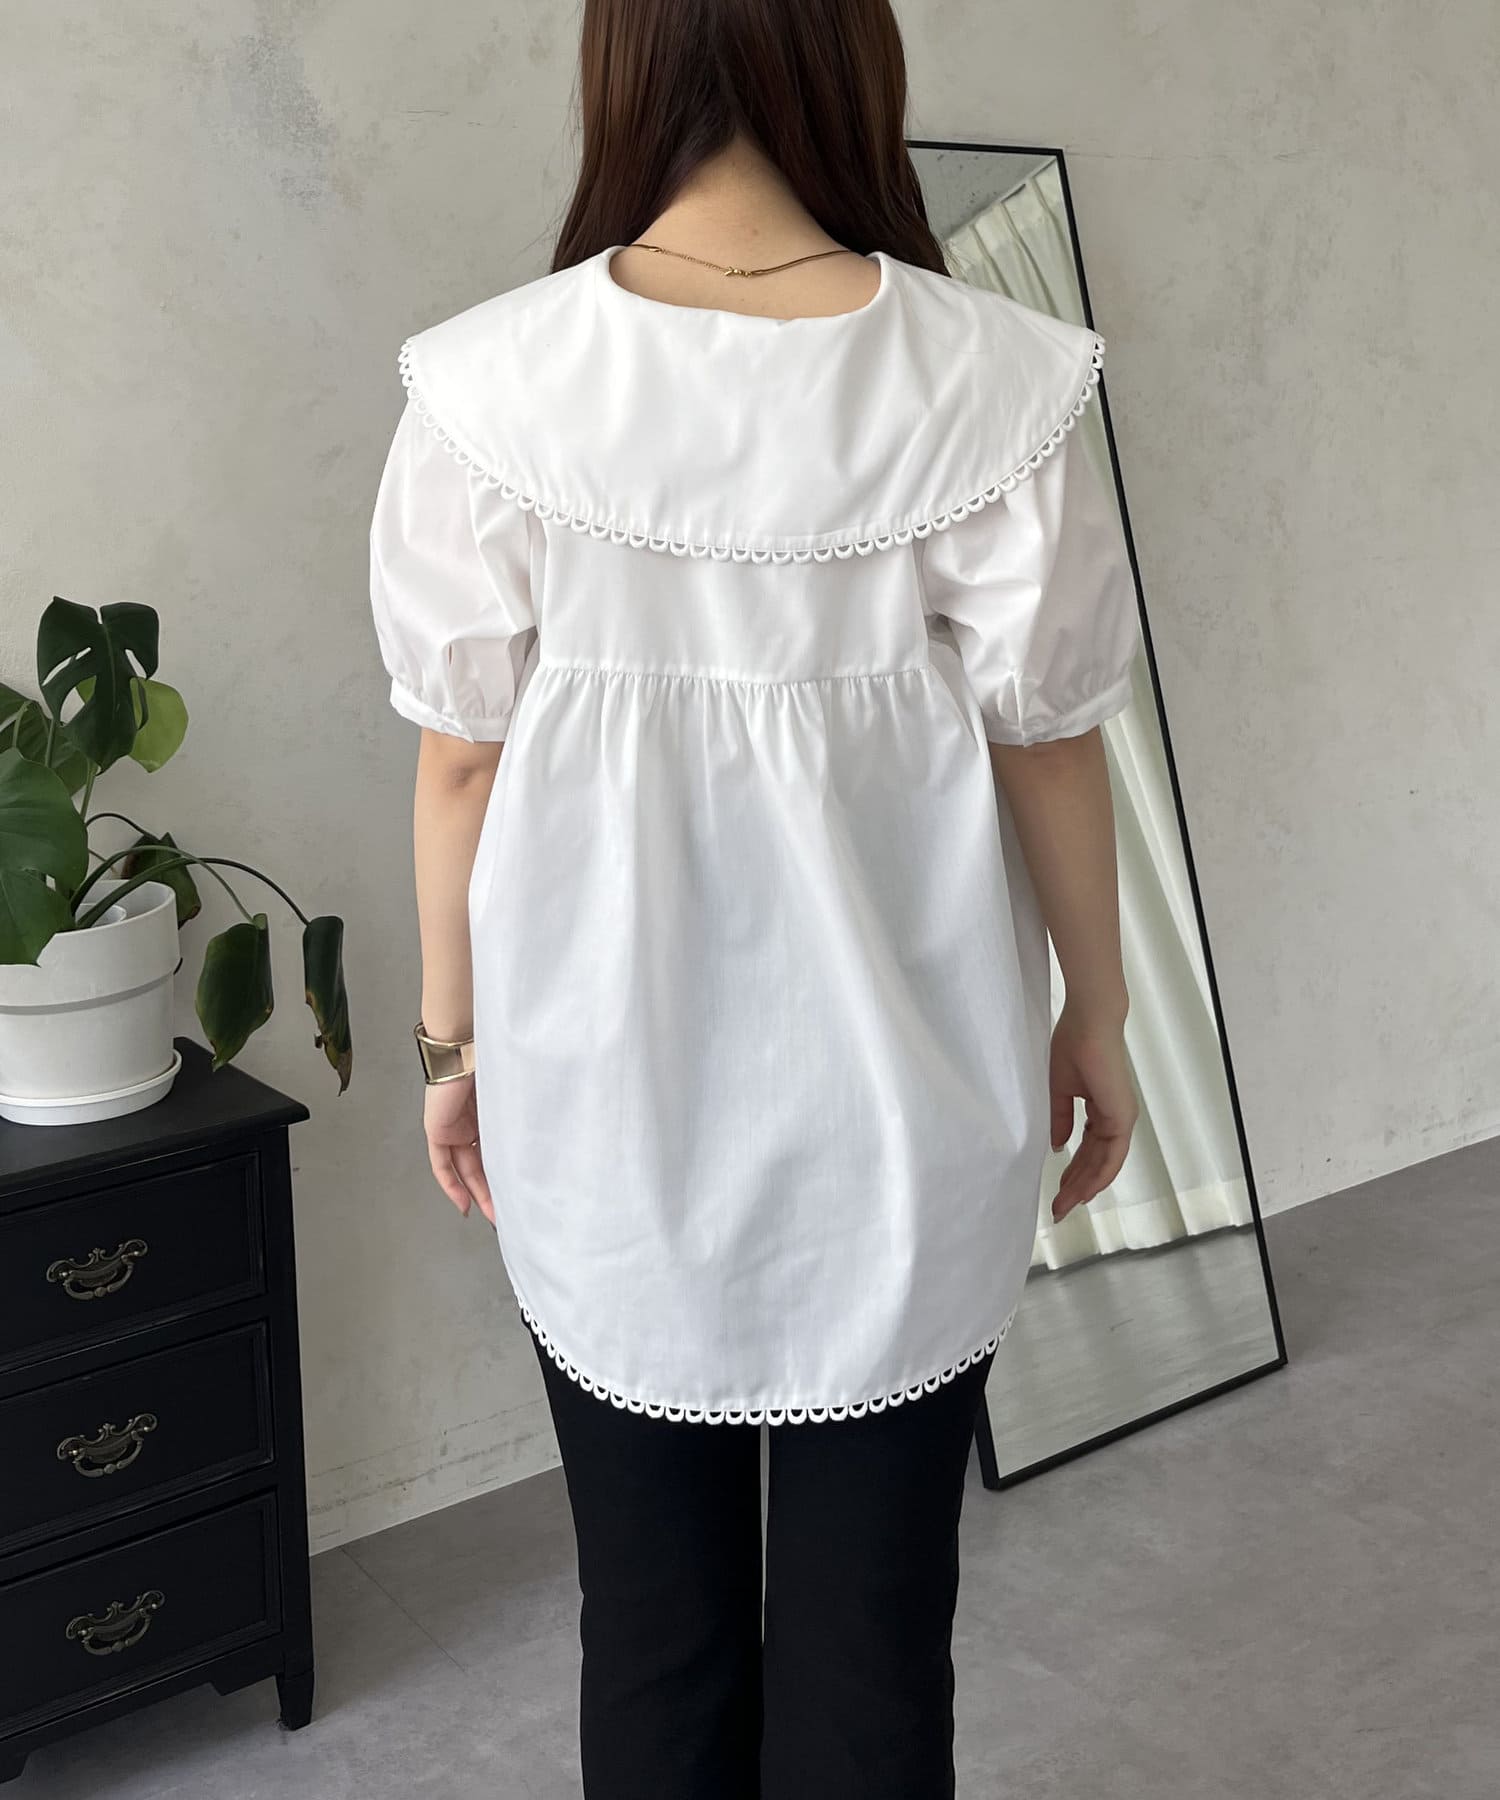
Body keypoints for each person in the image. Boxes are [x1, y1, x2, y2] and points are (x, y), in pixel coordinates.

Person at [367, 2, 1141, 1793]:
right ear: (852, 60)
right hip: (910, 1110)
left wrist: (450, 1048)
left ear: (621, 65)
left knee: (653, 1640)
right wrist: (1095, 1016)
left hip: (605, 1110)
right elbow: (1048, 747)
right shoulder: (989, 377)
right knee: (879, 1647)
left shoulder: (491, 385)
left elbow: (458, 764)